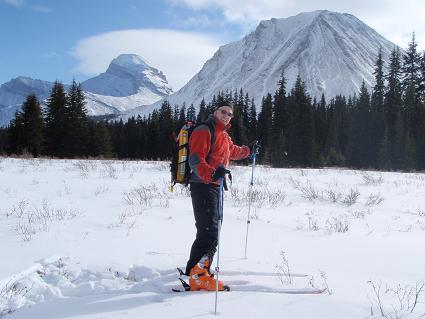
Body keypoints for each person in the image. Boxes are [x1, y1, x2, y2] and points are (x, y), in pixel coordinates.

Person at [185, 100, 251, 291]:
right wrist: (212, 173)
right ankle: (198, 275)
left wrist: (249, 150)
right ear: (215, 112)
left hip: (214, 186)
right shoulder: (204, 130)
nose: (226, 116)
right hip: (203, 185)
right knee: (209, 231)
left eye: (230, 114)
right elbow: (195, 159)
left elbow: (233, 151)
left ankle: (195, 270)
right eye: (223, 111)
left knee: (211, 229)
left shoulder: (223, 135)